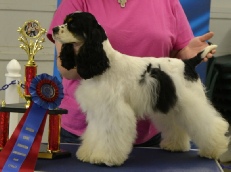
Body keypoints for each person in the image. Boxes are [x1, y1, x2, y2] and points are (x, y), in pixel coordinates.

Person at [47, 0, 216, 145]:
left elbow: (176, 57)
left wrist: (186, 53)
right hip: (78, 131)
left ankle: (207, 139)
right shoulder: (77, 2)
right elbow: (66, 69)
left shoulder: (167, 2)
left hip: (152, 131)